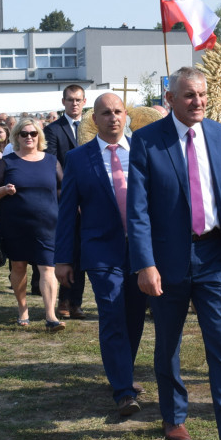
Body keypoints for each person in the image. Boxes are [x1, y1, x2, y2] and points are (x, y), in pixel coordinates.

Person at [126, 66, 221, 440]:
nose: (197, 102)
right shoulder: (147, 141)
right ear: (170, 99)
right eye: (188, 96)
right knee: (168, 343)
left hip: (214, 256)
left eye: (202, 95)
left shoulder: (219, 134)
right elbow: (138, 210)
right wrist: (145, 264)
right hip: (167, 262)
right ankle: (173, 414)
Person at [56, 93, 149, 415]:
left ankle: (124, 369)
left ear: (127, 116)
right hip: (100, 251)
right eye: (106, 113)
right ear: (94, 119)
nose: (113, 118)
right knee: (111, 313)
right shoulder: (79, 158)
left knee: (135, 315)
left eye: (118, 112)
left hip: (141, 251)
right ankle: (123, 390)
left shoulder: (143, 151)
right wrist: (62, 258)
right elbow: (67, 212)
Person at [0, 117, 65, 331]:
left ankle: (51, 316)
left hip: (47, 224)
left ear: (39, 136)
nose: (29, 137)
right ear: (17, 137)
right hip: (15, 225)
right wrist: (4, 190)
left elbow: (62, 190)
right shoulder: (8, 161)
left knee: (47, 267)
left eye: (33, 133)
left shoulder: (51, 161)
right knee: (19, 266)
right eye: (24, 134)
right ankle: (23, 309)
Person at [44, 85, 87, 319]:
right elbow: (53, 162)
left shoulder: (92, 127)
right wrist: (72, 189)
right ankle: (64, 301)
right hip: (66, 198)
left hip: (91, 198)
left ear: (84, 101)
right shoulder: (53, 130)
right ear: (63, 102)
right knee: (68, 252)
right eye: (70, 100)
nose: (74, 104)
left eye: (78, 100)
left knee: (82, 253)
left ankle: (76, 303)